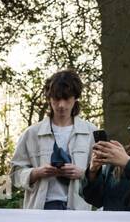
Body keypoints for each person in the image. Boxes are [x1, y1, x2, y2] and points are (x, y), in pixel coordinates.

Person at [10, 68, 98, 210]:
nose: (61, 105)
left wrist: (82, 173)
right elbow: (14, 175)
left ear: (75, 98)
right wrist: (36, 173)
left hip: (78, 212)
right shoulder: (31, 133)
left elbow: (104, 176)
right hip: (41, 210)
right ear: (49, 99)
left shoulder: (92, 133)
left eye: (66, 98)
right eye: (56, 99)